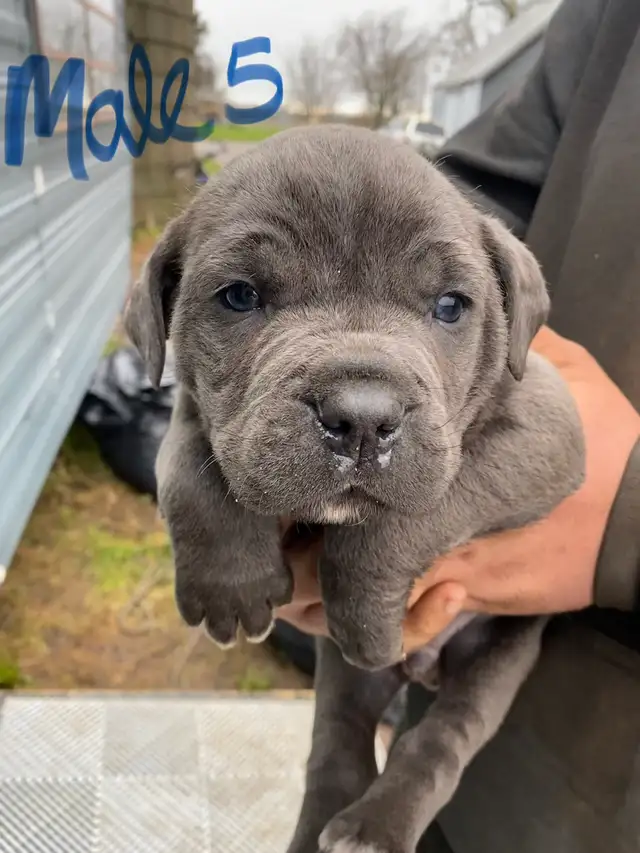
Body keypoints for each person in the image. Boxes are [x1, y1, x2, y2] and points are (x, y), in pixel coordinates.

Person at [276, 0, 640, 850]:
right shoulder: (612, 22)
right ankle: (337, 778)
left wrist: (624, 515)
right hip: (480, 790)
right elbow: (453, 203)